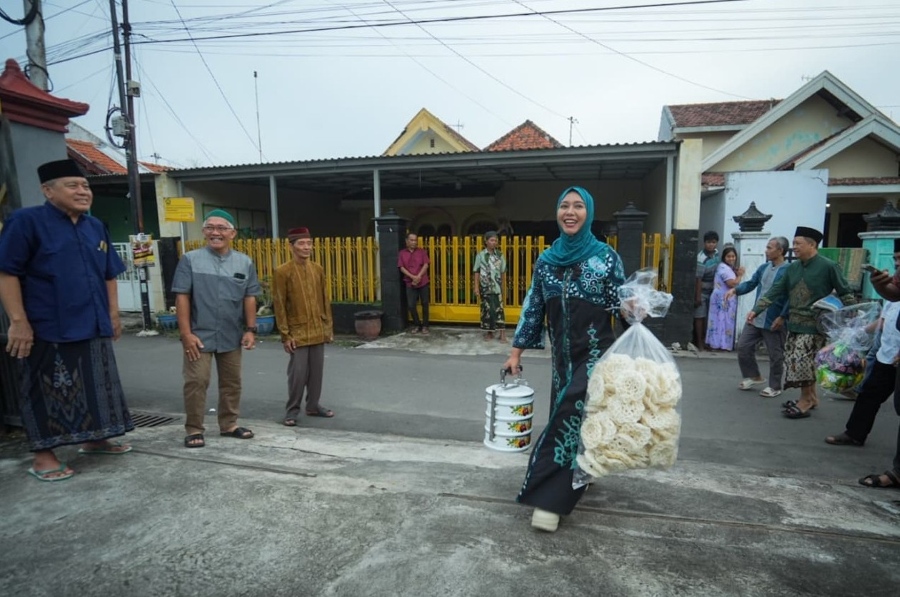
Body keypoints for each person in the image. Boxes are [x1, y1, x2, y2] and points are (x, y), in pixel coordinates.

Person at [502, 185, 625, 533]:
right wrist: (516, 352)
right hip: (562, 360)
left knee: (569, 418)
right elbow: (534, 307)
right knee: (568, 413)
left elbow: (623, 308)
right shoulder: (546, 261)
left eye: (578, 206)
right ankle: (581, 471)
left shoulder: (606, 257)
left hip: (597, 356)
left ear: (588, 212)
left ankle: (548, 499)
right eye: (564, 206)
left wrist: (637, 307)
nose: (570, 212)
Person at [0, 159, 133, 482]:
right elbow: (7, 271)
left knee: (96, 387)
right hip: (48, 325)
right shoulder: (26, 222)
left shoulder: (95, 226)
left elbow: (109, 275)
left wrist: (113, 314)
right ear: (48, 191)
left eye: (85, 185)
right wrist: (18, 320)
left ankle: (95, 437)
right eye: (72, 185)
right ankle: (44, 455)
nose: (82, 191)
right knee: (45, 390)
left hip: (93, 322)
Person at [172, 209, 260, 448]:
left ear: (232, 233)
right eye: (210, 227)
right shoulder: (190, 260)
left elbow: (250, 297)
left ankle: (229, 424)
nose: (215, 232)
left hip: (231, 334)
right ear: (203, 232)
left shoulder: (244, 261)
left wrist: (250, 329)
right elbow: (182, 297)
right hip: (198, 335)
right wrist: (186, 334)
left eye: (221, 228)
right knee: (196, 381)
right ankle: (193, 429)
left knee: (232, 382)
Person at [747, 226, 855, 419]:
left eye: (798, 243)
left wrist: (854, 318)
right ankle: (812, 397)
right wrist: (756, 310)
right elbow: (775, 290)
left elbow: (845, 292)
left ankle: (804, 400)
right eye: (794, 243)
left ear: (812, 245)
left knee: (802, 361)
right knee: (801, 362)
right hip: (794, 324)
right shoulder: (793, 268)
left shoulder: (828, 266)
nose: (794, 247)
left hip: (815, 325)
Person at [273, 227, 335, 425]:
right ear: (291, 246)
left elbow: (325, 299)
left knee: (317, 372)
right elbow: (280, 304)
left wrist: (328, 327)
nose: (307, 247)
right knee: (298, 374)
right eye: (302, 243)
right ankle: (292, 410)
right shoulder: (282, 272)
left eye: (309, 243)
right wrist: (285, 334)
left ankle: (313, 405)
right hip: (296, 332)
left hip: (318, 327)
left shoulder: (317, 269)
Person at [853, 240, 900, 488]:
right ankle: (854, 434)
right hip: (887, 352)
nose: (896, 270)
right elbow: (890, 302)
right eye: (896, 262)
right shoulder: (894, 284)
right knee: (869, 393)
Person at [825, 298, 900, 448]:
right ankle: (854, 434)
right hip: (886, 356)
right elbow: (883, 322)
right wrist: (858, 331)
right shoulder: (893, 300)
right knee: (869, 394)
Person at [726, 236, 790, 397]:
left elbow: (791, 297)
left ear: (780, 251)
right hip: (756, 316)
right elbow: (752, 283)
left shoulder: (789, 270)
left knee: (776, 355)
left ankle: (775, 386)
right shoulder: (763, 268)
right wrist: (735, 290)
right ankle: (754, 376)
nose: (766, 250)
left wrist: (782, 316)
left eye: (769, 248)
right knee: (743, 346)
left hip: (774, 318)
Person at [705, 245, 743, 351]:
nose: (731, 258)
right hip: (722, 299)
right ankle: (721, 345)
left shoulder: (726, 268)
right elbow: (732, 283)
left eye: (733, 256)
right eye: (728, 256)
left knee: (721, 321)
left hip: (723, 299)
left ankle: (719, 344)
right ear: (724, 258)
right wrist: (740, 275)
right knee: (721, 322)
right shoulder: (724, 268)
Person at [473, 230, 507, 342]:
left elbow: (503, 272)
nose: (494, 242)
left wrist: (503, 287)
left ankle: (502, 334)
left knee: (499, 310)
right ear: (486, 242)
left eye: (496, 240)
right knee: (487, 311)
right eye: (491, 240)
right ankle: (489, 333)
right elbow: (477, 271)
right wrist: (476, 287)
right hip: (485, 287)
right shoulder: (481, 255)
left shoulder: (500, 255)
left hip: (497, 287)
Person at [398, 232, 430, 335]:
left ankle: (425, 325)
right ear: (406, 241)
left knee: (425, 303)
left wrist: (419, 276)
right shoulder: (402, 253)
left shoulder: (422, 252)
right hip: (409, 282)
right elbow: (401, 267)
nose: (414, 242)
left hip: (423, 281)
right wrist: (412, 277)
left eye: (415, 240)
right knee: (411, 305)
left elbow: (426, 265)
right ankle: (417, 324)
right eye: (411, 240)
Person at [694, 231, 720, 351]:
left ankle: (707, 341)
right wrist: (698, 296)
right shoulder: (701, 258)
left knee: (711, 317)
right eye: (709, 242)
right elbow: (698, 278)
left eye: (713, 242)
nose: (711, 245)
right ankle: (699, 341)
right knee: (700, 316)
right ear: (704, 243)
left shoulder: (716, 255)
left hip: (714, 290)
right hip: (702, 290)